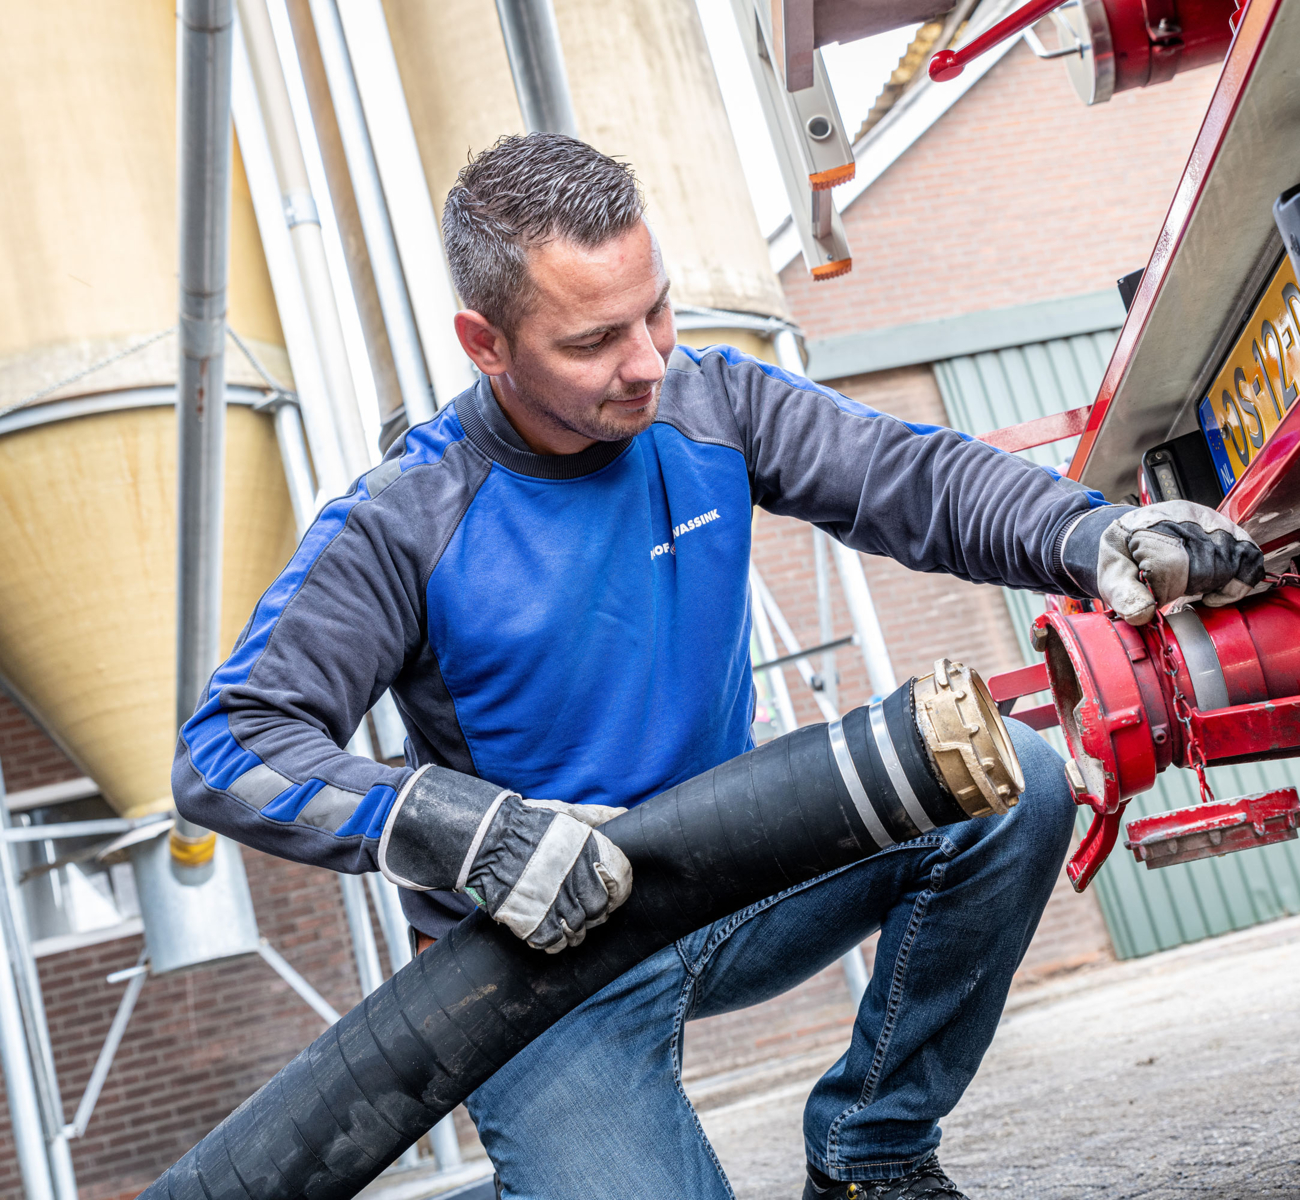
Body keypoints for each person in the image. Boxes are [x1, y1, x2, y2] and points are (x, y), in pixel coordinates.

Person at [173, 134, 1263, 1199]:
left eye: (655, 310)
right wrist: (462, 831)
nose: (646, 361)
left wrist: (1089, 536)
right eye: (595, 339)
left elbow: (911, 480)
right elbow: (228, 750)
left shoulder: (709, 403)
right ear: (486, 342)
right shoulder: (404, 521)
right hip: (541, 958)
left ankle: (870, 1155)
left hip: (727, 877)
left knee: (1007, 782)